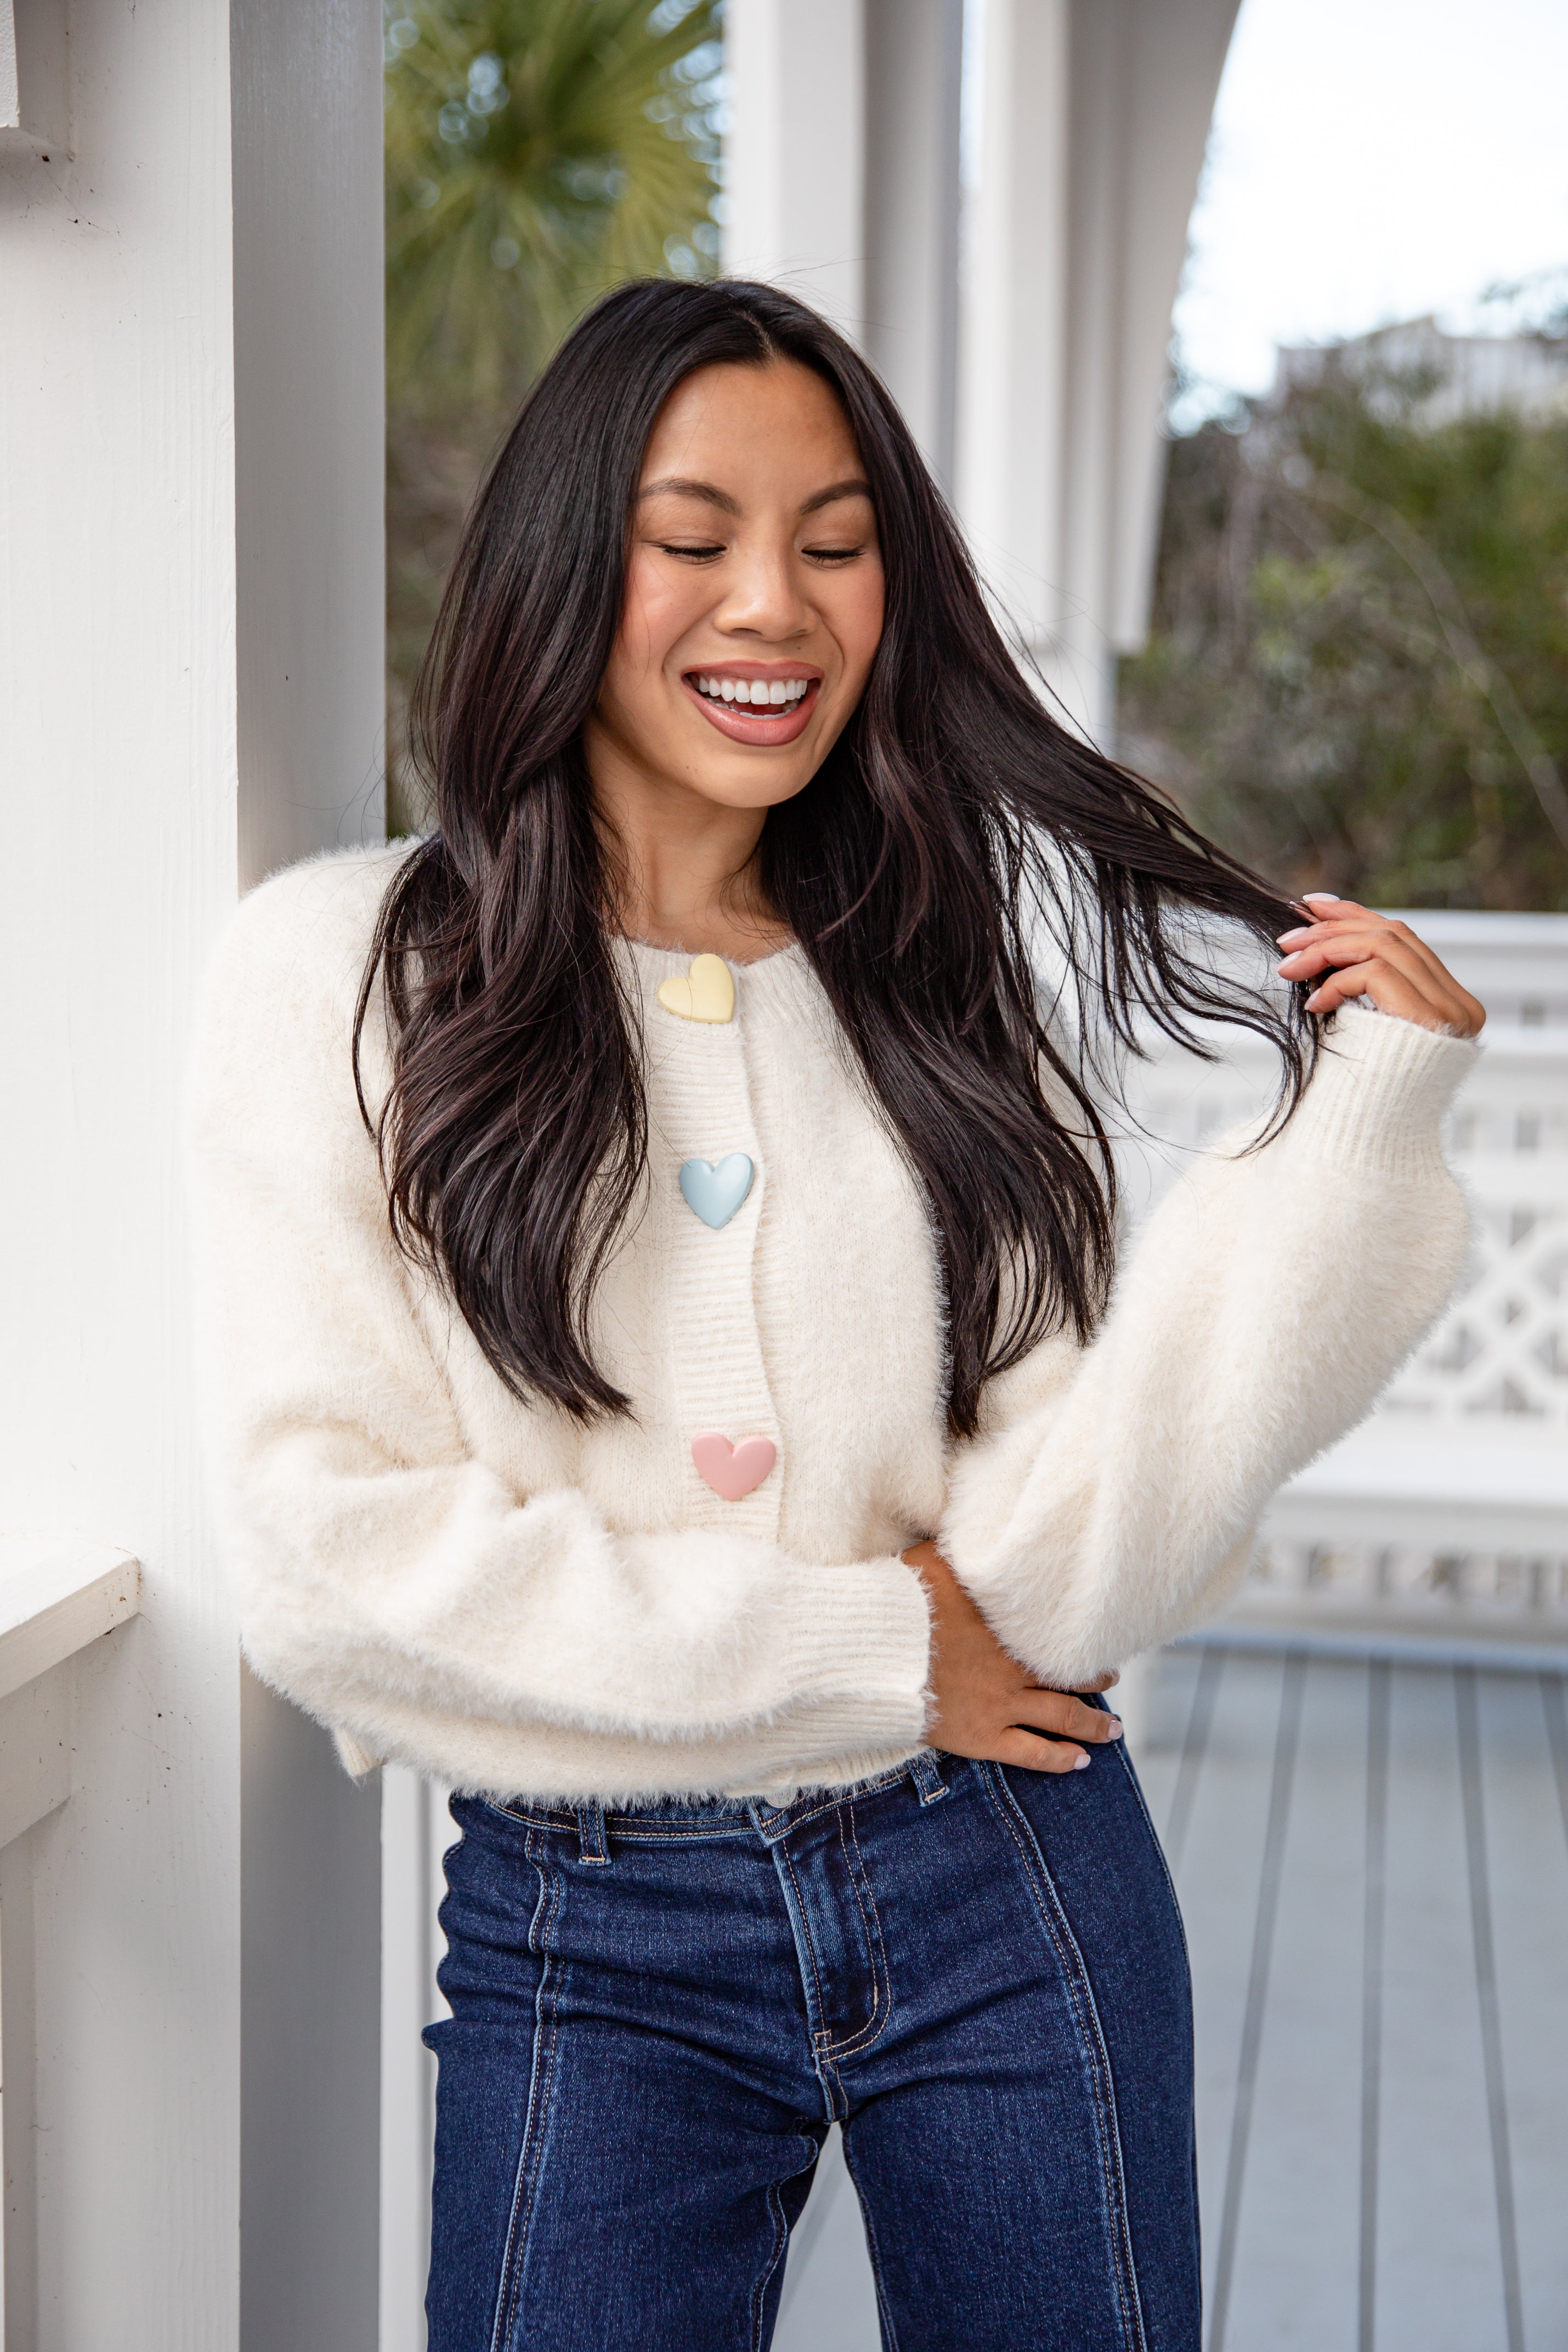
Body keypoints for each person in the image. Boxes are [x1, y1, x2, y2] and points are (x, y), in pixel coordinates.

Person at [189, 279, 1484, 2351]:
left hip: (1009, 1870)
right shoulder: (347, 979)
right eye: (691, 539)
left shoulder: (943, 996)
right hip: (588, 1920)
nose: (771, 605)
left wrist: (1350, 1150)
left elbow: (1089, 1527)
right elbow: (328, 1564)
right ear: (560, 566)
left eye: (837, 538)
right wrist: (882, 1651)